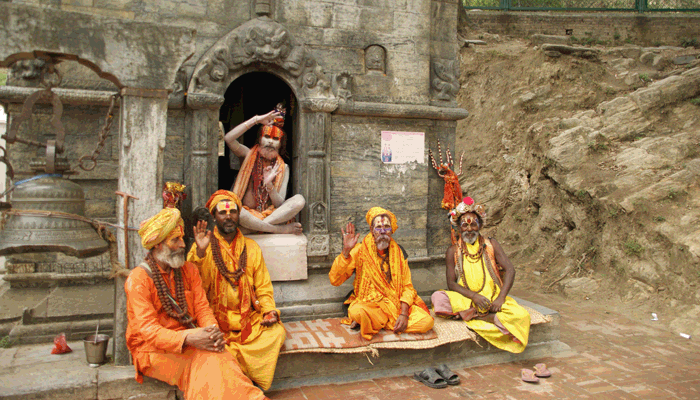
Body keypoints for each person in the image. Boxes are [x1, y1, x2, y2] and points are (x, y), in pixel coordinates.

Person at [125, 208, 267, 400]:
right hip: (152, 350)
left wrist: (212, 332)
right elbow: (149, 332)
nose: (183, 244)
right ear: (158, 244)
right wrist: (189, 338)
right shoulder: (138, 279)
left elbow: (202, 309)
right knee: (208, 361)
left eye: (182, 238)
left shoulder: (189, 270)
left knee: (221, 355)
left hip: (192, 340)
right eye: (175, 240)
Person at [187, 190, 286, 391]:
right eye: (223, 213)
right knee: (208, 343)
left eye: (232, 211)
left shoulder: (252, 248)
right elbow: (193, 286)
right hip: (215, 321)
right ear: (214, 216)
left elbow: (263, 287)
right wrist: (200, 252)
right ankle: (241, 379)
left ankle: (241, 375)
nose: (228, 216)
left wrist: (269, 311)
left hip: (248, 320)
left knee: (276, 333)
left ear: (238, 215)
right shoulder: (202, 247)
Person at [431, 197, 530, 353]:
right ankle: (483, 315)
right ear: (459, 228)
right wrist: (474, 297)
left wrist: (501, 298)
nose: (469, 229)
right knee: (438, 298)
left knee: (521, 316)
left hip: (492, 298)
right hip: (467, 299)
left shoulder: (491, 244)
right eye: (465, 225)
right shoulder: (453, 251)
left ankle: (475, 315)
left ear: (480, 225)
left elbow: (510, 270)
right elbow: (451, 284)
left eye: (473, 224)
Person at [329, 207, 434, 340]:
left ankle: (378, 323)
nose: (383, 231)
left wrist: (404, 314)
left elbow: (408, 287)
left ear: (391, 230)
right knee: (357, 311)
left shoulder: (399, 252)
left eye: (386, 227)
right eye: (378, 227)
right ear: (372, 230)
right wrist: (345, 252)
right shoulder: (360, 250)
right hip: (370, 305)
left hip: (395, 305)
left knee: (426, 322)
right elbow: (335, 280)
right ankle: (379, 321)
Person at [224, 105, 304, 235]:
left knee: (299, 200)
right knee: (235, 208)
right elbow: (228, 139)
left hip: (270, 215)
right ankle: (277, 229)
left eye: (275, 139)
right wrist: (256, 120)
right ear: (260, 139)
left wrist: (269, 185)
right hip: (246, 215)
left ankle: (253, 228)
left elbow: (279, 204)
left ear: (280, 144)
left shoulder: (283, 167)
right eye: (267, 136)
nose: (271, 142)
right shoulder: (247, 154)